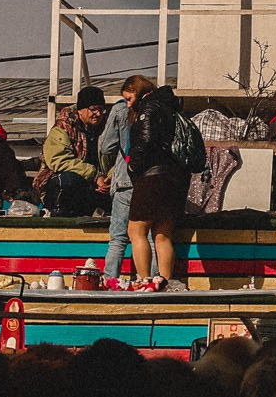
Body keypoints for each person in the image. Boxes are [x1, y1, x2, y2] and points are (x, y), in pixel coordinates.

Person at [122, 85, 204, 291]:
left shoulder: (150, 108)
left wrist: (133, 165)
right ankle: (163, 282)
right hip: (176, 178)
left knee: (136, 230)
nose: (128, 103)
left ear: (139, 91)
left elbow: (146, 141)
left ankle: (144, 280)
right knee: (163, 234)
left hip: (152, 177)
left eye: (129, 98)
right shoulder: (174, 110)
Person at [95, 75, 154, 278]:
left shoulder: (120, 109)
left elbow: (106, 147)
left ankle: (110, 279)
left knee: (118, 238)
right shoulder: (156, 109)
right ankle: (153, 280)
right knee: (152, 238)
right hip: (150, 181)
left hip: (124, 181)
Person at [34, 86, 109, 217]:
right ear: (80, 110)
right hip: (65, 189)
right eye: (93, 109)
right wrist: (95, 176)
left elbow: (120, 156)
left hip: (98, 188)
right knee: (68, 180)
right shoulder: (62, 128)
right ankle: (58, 214)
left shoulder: (108, 129)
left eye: (101, 109)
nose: (97, 113)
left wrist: (109, 179)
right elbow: (59, 160)